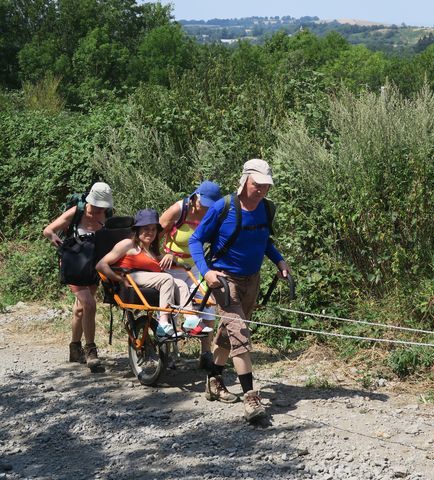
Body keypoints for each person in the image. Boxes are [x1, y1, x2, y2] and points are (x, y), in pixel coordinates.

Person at [189, 159, 291, 421]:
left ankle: (213, 379)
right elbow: (196, 239)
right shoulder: (224, 207)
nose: (262, 191)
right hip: (225, 281)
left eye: (266, 186)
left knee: (229, 333)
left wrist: (279, 260)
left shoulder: (267, 209)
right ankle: (251, 399)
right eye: (258, 185)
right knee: (240, 332)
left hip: (252, 279)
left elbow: (263, 240)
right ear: (245, 180)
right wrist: (207, 271)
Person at [43, 182, 113, 370]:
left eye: (103, 207)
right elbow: (48, 230)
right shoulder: (76, 212)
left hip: (93, 264)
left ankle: (75, 349)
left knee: (81, 309)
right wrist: (54, 239)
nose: (100, 210)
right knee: (89, 304)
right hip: (74, 264)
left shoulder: (107, 215)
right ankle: (91, 351)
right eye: (98, 206)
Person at [96, 209, 195, 337]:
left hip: (151, 280)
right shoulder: (128, 244)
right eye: (146, 228)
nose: (150, 232)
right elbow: (101, 265)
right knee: (166, 278)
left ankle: (190, 320)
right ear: (137, 230)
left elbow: (172, 262)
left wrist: (170, 256)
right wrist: (119, 279)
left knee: (180, 283)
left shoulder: (153, 252)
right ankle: (163, 323)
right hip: (132, 276)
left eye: (154, 229)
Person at [159, 181, 222, 367]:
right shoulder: (178, 211)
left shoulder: (212, 213)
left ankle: (206, 354)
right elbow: (152, 236)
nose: (206, 209)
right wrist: (164, 255)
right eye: (204, 204)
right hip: (172, 265)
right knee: (172, 307)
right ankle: (166, 354)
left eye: (211, 205)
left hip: (195, 265)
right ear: (195, 198)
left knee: (207, 303)